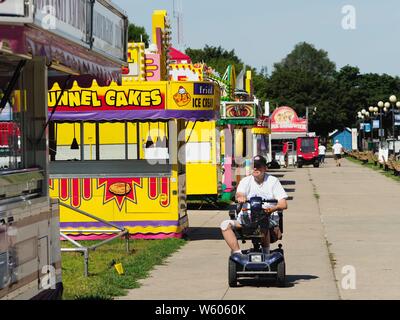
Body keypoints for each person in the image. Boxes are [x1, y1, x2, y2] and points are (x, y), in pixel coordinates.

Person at [220, 155, 288, 257]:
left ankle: (266, 254)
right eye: (253, 166)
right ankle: (238, 254)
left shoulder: (273, 181)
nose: (255, 169)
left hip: (267, 217)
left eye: (259, 166)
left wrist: (273, 208)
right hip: (246, 218)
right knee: (224, 225)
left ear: (265, 168)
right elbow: (239, 194)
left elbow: (283, 204)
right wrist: (241, 197)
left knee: (263, 222)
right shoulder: (245, 181)